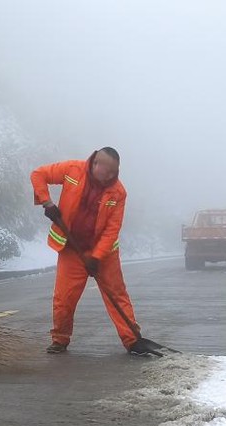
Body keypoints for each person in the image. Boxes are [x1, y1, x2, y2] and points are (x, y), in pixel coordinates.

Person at [30, 147, 152, 355]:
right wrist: (47, 202)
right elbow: (38, 174)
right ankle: (60, 339)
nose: (107, 174)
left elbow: (112, 229)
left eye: (110, 170)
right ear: (94, 162)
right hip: (72, 249)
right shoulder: (73, 169)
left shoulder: (118, 193)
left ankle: (133, 340)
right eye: (101, 166)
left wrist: (96, 257)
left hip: (104, 255)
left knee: (117, 295)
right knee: (64, 297)